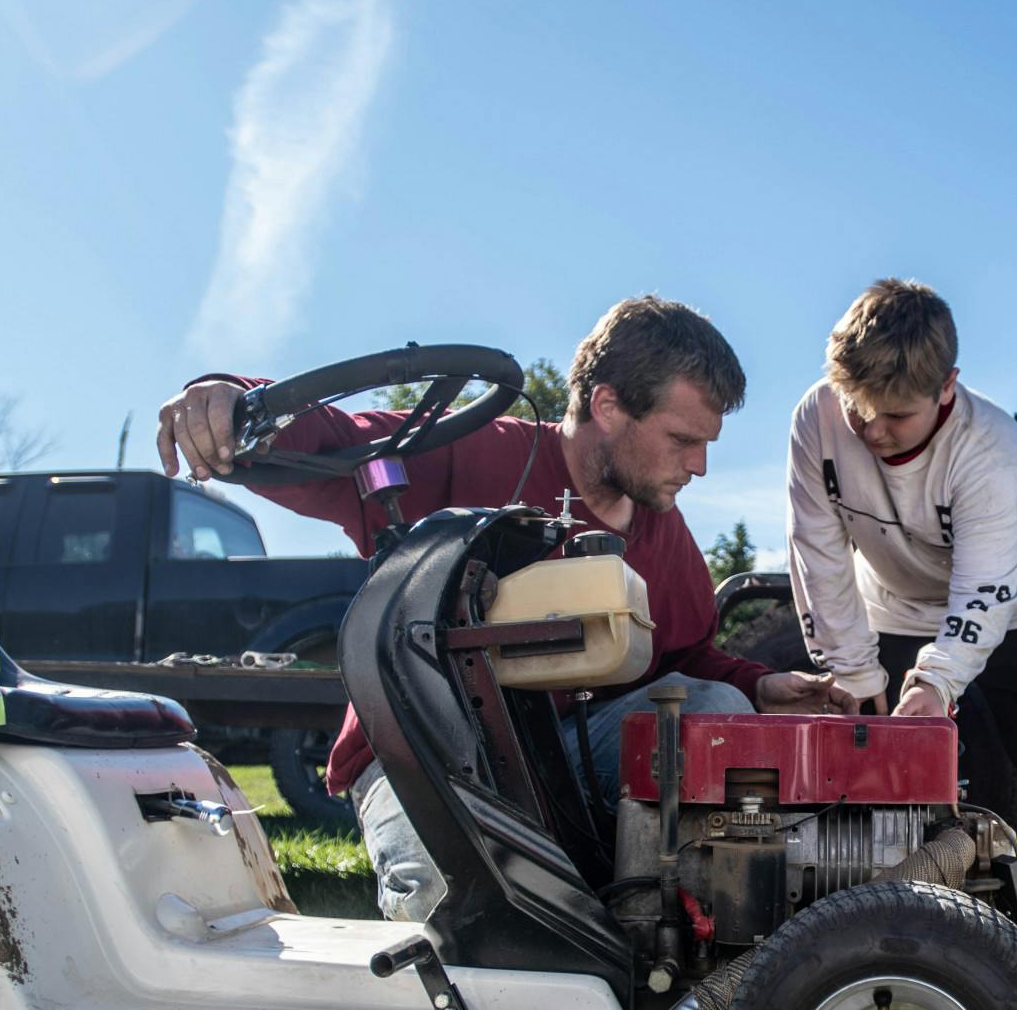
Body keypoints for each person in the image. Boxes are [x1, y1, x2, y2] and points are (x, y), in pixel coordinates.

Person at [158, 295, 858, 921]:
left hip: (562, 754)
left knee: (715, 712)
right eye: (683, 439)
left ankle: (659, 927)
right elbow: (340, 438)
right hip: (427, 752)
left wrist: (758, 684)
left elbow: (686, 658)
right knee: (453, 910)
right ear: (610, 407)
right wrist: (227, 398)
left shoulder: (664, 535)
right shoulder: (472, 454)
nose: (698, 465)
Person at [785, 279, 1017, 858]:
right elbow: (818, 551)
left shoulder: (993, 449)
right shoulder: (816, 417)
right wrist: (854, 671)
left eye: (896, 416)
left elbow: (987, 587)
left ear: (947, 387)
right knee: (868, 780)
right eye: (857, 409)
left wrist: (937, 682)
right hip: (896, 595)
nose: (872, 430)